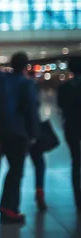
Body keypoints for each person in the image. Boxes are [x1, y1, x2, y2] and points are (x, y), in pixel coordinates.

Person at [0, 52, 40, 224]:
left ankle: (5, 206)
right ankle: (9, 209)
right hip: (18, 134)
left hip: (1, 132)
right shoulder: (26, 83)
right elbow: (31, 110)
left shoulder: (0, 81)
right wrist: (34, 134)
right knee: (16, 171)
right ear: (25, 66)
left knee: (9, 169)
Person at [57, 57, 81, 211]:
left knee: (75, 162)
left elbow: (60, 106)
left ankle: (78, 199)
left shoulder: (64, 87)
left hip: (71, 127)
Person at [27, 70, 47, 211]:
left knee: (15, 168)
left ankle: (9, 205)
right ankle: (39, 190)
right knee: (39, 163)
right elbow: (34, 109)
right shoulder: (29, 85)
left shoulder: (8, 85)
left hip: (14, 132)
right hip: (30, 130)